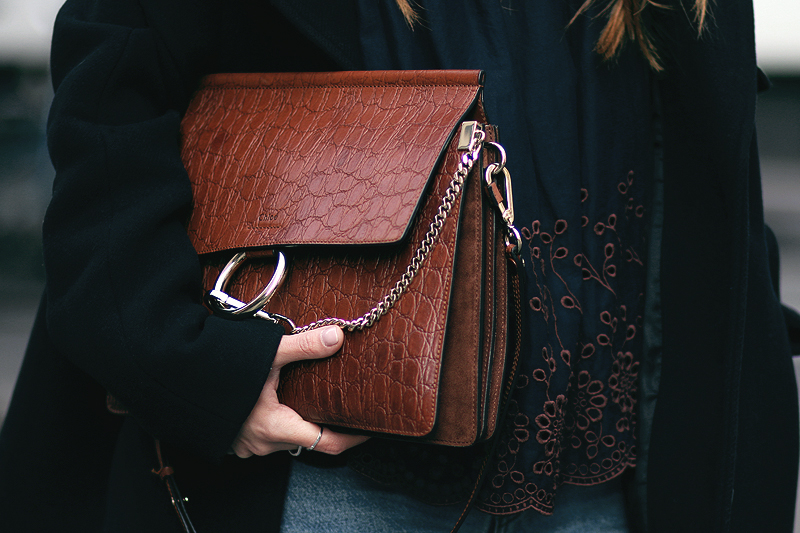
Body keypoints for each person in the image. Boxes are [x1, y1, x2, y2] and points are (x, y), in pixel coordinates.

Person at [0, 0, 797, 531]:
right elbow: (114, 95)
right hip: (331, 457)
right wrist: (190, 363)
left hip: (616, 470)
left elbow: (703, 165)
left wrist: (744, 339)